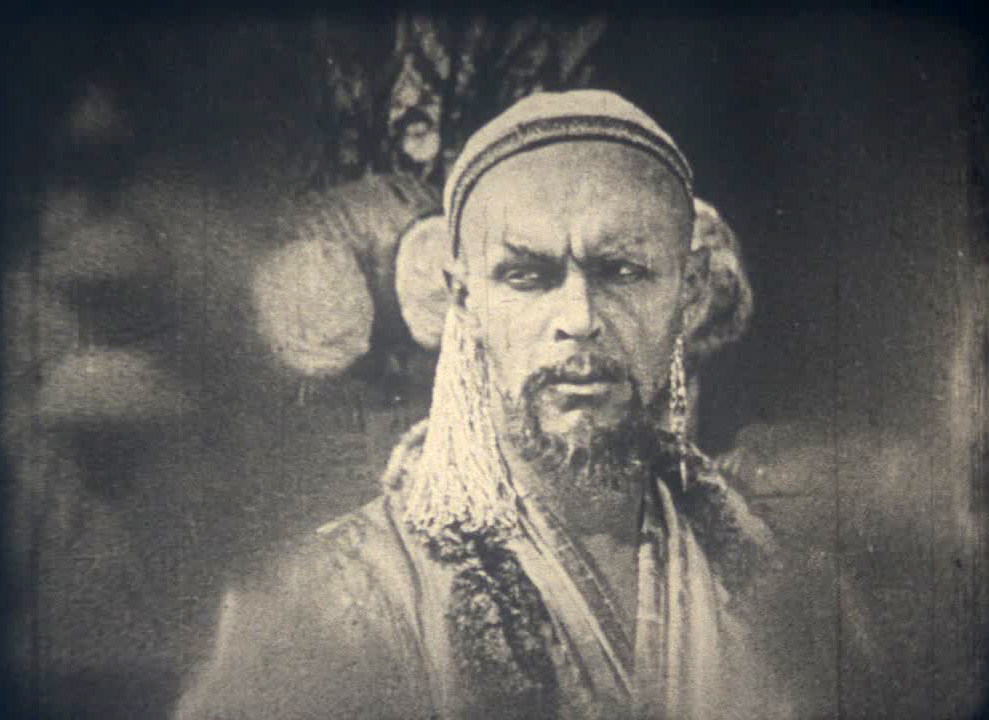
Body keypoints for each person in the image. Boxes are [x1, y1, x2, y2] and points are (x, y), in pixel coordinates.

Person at [174, 90, 821, 720]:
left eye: (623, 271)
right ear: (463, 301)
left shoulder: (788, 583)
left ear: (688, 293)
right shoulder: (334, 599)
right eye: (527, 276)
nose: (579, 318)